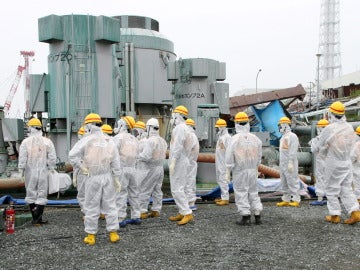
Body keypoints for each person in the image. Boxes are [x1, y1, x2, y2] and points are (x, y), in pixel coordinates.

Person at [69, 113, 121, 245]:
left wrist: (81, 167)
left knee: (91, 205)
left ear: (89, 125)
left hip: (92, 177)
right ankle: (113, 233)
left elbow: (72, 155)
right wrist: (116, 178)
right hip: (108, 176)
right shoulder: (109, 140)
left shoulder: (86, 140)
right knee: (110, 205)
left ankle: (91, 235)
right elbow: (115, 161)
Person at [314, 101, 360, 224]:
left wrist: (320, 148)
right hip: (347, 162)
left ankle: (335, 215)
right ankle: (355, 212)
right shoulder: (349, 127)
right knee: (346, 189)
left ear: (331, 114)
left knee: (331, 189)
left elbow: (318, 146)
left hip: (333, 163)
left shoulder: (329, 128)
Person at [225, 112, 263, 225]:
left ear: (237, 124)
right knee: (253, 192)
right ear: (247, 123)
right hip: (252, 170)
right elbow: (259, 155)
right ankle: (257, 215)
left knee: (241, 192)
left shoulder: (234, 139)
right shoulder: (256, 139)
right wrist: (256, 166)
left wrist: (228, 170)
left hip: (240, 170)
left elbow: (229, 155)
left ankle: (245, 216)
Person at [18, 118, 57, 226]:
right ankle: (38, 218)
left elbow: (22, 157)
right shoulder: (47, 141)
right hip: (43, 171)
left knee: (31, 193)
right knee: (42, 193)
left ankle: (35, 218)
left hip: (30, 171)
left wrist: (21, 169)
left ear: (30, 128)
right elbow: (52, 158)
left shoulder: (25, 142)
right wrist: (51, 167)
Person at [113, 115, 141, 227]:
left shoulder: (118, 138)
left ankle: (120, 218)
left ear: (122, 124)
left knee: (121, 193)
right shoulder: (134, 139)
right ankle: (136, 216)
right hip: (133, 169)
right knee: (134, 193)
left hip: (121, 169)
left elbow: (113, 154)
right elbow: (138, 155)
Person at [168, 105, 194, 225]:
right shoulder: (185, 128)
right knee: (180, 188)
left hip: (178, 160)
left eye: (173, 116)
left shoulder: (180, 128)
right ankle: (182, 211)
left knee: (176, 189)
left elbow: (178, 146)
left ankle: (187, 213)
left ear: (177, 116)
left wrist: (173, 161)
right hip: (182, 160)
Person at [138, 118, 168, 219]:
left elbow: (146, 156)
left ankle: (142, 211)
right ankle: (156, 209)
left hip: (151, 168)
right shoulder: (162, 141)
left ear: (149, 127)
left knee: (145, 189)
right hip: (160, 168)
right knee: (157, 190)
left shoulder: (150, 141)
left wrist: (136, 156)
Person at [276, 116, 301, 207]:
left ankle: (296, 199)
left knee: (292, 180)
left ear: (285, 125)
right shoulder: (283, 137)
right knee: (284, 181)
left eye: (280, 125)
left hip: (290, 163)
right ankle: (286, 198)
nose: (279, 127)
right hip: (283, 163)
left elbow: (293, 151)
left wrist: (290, 162)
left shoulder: (292, 136)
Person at [309, 119, 329, 206]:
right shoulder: (332, 138)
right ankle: (330, 198)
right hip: (330, 162)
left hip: (321, 162)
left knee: (320, 179)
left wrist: (314, 142)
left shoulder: (318, 139)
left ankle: (320, 199)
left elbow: (314, 150)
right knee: (329, 179)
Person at [214, 119, 232, 206]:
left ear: (222, 128)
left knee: (224, 180)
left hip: (224, 163)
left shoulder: (227, 138)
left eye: (217, 128)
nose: (216, 130)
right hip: (220, 162)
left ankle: (225, 198)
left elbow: (229, 151)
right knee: (220, 180)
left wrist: (228, 166)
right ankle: (223, 196)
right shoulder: (221, 138)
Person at [72, 126, 88, 217]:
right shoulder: (95, 142)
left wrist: (74, 177)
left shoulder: (79, 145)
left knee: (82, 194)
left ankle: (87, 213)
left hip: (83, 172)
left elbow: (75, 161)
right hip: (94, 172)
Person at [184, 118, 200, 211]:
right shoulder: (193, 135)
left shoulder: (189, 136)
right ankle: (190, 202)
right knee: (191, 182)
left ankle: (190, 203)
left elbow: (187, 150)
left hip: (188, 163)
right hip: (192, 162)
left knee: (188, 182)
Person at [351, 126, 360, 203]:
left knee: (357, 185)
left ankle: (358, 200)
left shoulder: (356, 145)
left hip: (357, 167)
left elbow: (352, 157)